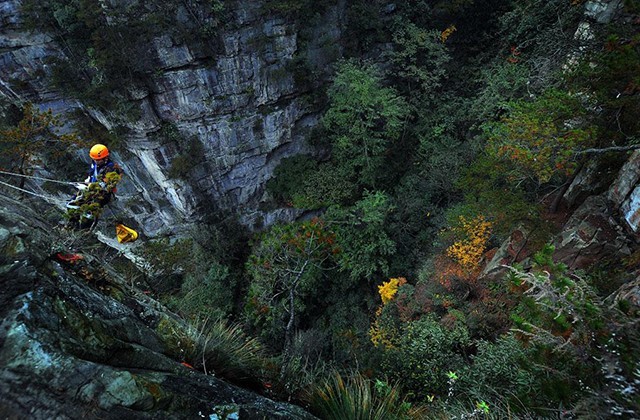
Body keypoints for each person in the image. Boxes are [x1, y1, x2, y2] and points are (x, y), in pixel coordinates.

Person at [66, 144, 123, 227]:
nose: (96, 161)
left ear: (105, 158)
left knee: (89, 213)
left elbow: (105, 185)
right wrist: (85, 183)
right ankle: (73, 225)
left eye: (98, 160)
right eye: (95, 159)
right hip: (90, 189)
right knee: (71, 204)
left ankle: (83, 229)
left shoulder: (111, 168)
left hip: (102, 194)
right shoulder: (95, 163)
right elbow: (92, 175)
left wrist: (89, 187)